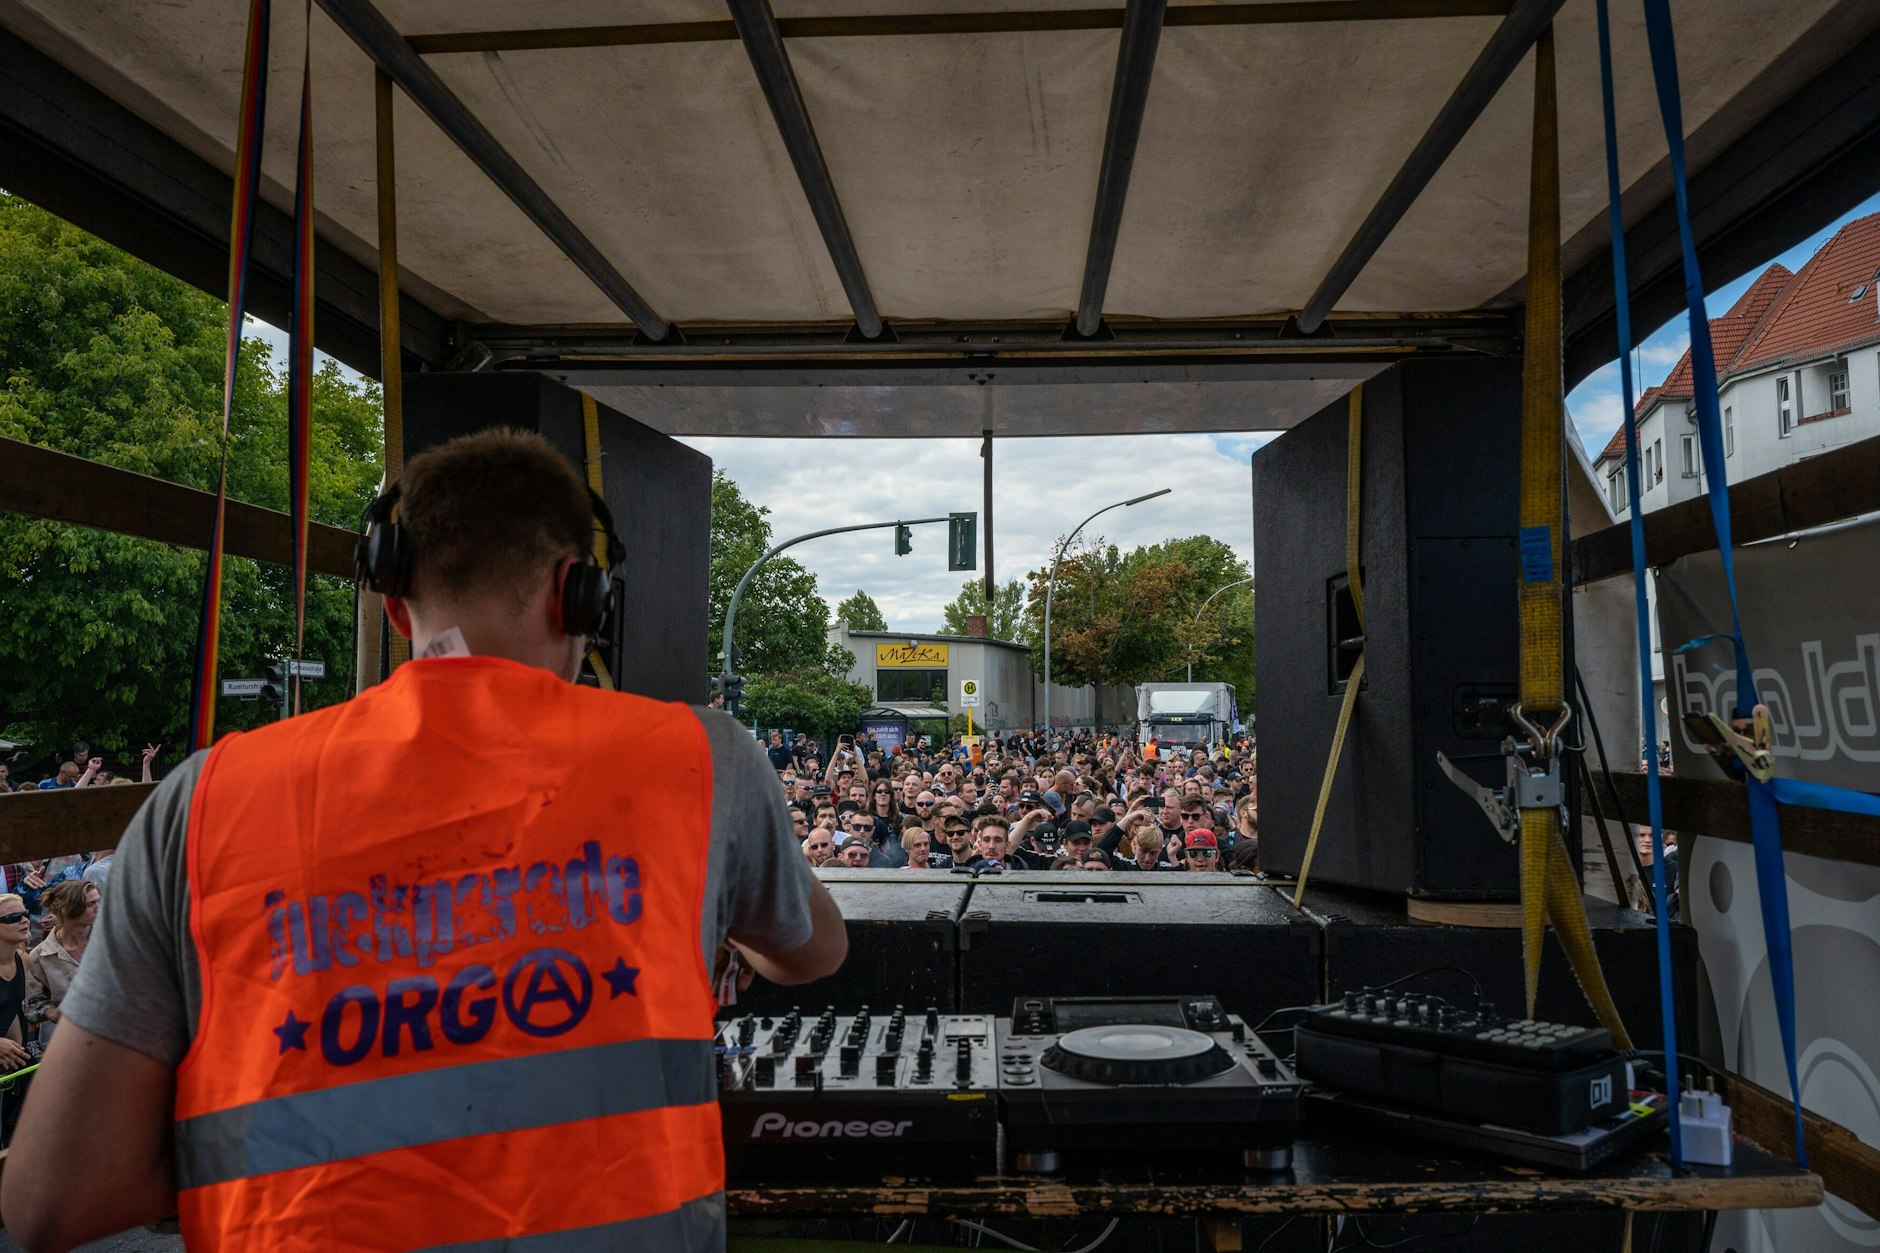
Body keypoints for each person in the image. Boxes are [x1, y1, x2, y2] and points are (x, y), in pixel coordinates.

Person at [4, 429, 848, 1253]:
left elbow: (53, 1197)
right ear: (578, 594)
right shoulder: (706, 760)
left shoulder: (200, 799)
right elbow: (812, 951)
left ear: (394, 599)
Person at [23, 880, 96, 1047]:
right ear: (67, 909)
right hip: (64, 1040)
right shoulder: (41, 955)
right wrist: (53, 1014)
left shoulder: (111, 941)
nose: (98, 907)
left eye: (98, 901)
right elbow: (31, 1002)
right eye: (90, 904)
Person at [0, 893, 36, 1144]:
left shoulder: (22, 959)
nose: (24, 920)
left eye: (24, 914)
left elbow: (12, 1008)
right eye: (13, 917)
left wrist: (19, 1058)